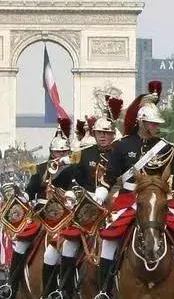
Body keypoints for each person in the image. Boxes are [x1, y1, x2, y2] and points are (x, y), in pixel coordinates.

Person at [96, 81, 174, 299]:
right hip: (129, 198)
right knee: (109, 241)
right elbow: (109, 178)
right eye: (153, 123)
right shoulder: (123, 146)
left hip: (161, 199)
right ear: (141, 122)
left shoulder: (166, 148)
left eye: (157, 123)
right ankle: (104, 289)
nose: (156, 127)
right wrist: (100, 194)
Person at [0, 118, 76, 299]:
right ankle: (11, 284)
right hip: (42, 215)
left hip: (66, 215)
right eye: (57, 151)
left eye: (64, 152)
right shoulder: (39, 169)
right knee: (22, 243)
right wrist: (16, 195)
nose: (60, 155)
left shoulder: (74, 169)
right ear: (51, 152)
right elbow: (29, 193)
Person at [55, 96, 123, 298]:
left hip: (116, 206)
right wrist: (71, 195)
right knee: (69, 244)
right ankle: (64, 289)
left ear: (113, 136)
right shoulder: (85, 154)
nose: (103, 136)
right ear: (94, 134)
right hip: (89, 207)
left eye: (106, 133)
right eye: (99, 133)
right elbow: (73, 181)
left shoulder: (120, 154)